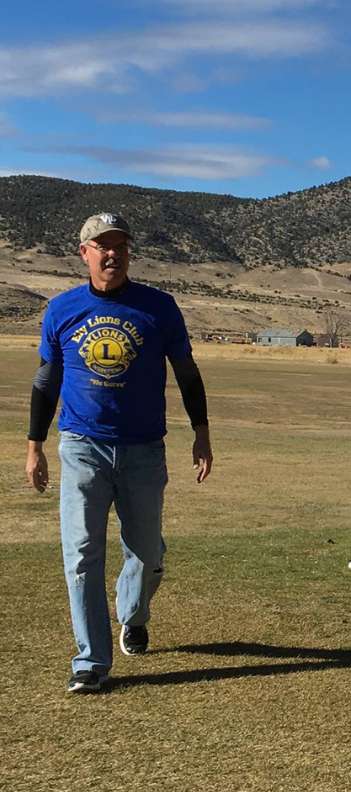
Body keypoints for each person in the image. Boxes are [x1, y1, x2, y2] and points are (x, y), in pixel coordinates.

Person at [25, 213, 214, 694]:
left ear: (129, 253)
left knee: (147, 552)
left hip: (143, 451)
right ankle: (91, 661)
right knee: (83, 554)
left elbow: (187, 374)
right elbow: (46, 383)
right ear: (83, 252)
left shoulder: (158, 308)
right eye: (101, 246)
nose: (112, 254)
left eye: (120, 246)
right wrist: (35, 447)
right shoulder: (62, 309)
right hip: (82, 447)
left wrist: (201, 431)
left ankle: (133, 612)